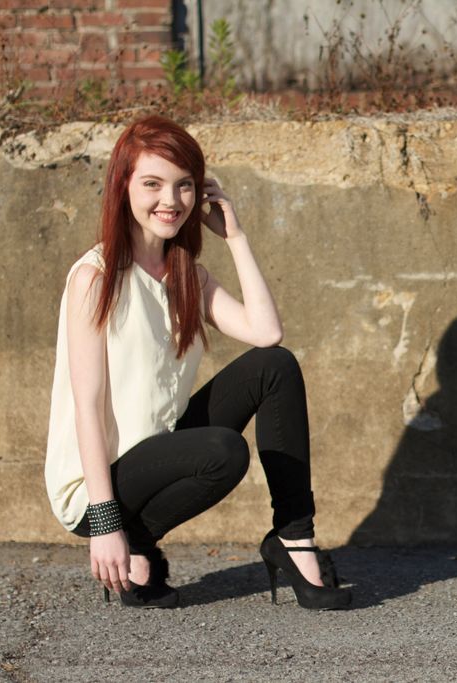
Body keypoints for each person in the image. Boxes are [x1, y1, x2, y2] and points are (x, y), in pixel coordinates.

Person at [44, 115, 350, 610]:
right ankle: (134, 540)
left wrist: (236, 237)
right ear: (123, 187)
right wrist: (105, 525)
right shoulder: (95, 277)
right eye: (152, 184)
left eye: (184, 186)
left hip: (161, 449)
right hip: (97, 485)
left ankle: (294, 540)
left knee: (275, 365)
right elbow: (87, 407)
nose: (171, 201)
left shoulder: (187, 276)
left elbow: (266, 333)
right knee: (223, 450)